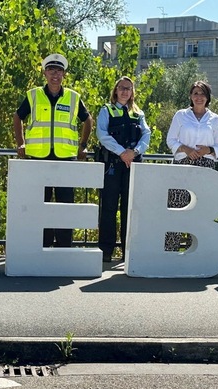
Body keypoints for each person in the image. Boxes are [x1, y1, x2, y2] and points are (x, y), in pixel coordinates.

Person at [13, 53, 93, 248]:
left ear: (64, 74)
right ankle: (43, 246)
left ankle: (64, 246)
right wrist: (20, 142)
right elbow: (17, 117)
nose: (55, 74)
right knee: (41, 205)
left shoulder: (73, 97)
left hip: (66, 158)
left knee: (65, 205)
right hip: (38, 157)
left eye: (58, 70)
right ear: (44, 73)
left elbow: (88, 120)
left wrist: (82, 146)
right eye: (51, 70)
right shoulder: (33, 95)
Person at [95, 76, 151, 262]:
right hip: (112, 165)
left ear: (132, 92)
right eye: (122, 88)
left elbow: (146, 135)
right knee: (108, 208)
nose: (125, 91)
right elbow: (102, 135)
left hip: (132, 164)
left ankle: (128, 250)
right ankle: (106, 251)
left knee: (130, 209)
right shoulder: (106, 110)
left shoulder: (138, 113)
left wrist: (134, 152)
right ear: (116, 90)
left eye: (128, 88)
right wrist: (122, 153)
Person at [165, 81, 218, 251]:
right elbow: (171, 140)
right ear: (191, 96)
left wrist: (209, 149)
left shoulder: (215, 119)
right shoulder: (181, 115)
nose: (199, 97)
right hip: (183, 163)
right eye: (196, 93)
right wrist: (185, 148)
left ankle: (197, 250)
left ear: (208, 97)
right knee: (177, 206)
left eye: (202, 94)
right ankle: (171, 249)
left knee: (201, 209)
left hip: (205, 166)